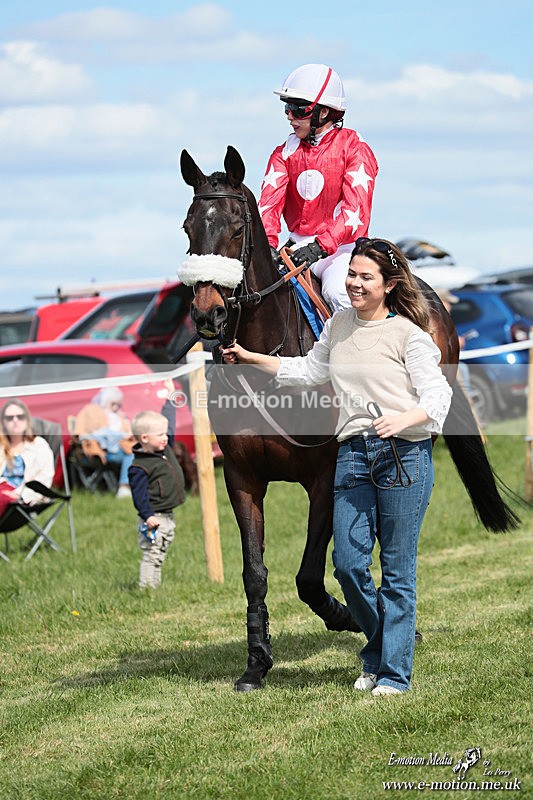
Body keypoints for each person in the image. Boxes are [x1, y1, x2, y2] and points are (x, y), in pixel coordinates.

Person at [221, 238, 453, 695]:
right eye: (352, 275)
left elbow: (439, 399)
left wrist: (402, 419)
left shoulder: (409, 334)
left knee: (397, 571)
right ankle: (384, 647)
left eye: (366, 277)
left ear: (388, 285)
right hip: (352, 456)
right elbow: (308, 370)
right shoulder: (339, 326)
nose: (355, 283)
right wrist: (249, 357)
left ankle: (391, 673)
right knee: (347, 566)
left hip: (402, 456)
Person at [258, 63, 379, 313]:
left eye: (297, 109)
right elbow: (268, 206)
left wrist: (320, 246)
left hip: (341, 251)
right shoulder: (284, 152)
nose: (290, 116)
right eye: (287, 108)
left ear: (323, 113)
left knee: (337, 292)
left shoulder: (355, 148)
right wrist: (268, 244)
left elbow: (355, 213)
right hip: (294, 247)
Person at [128, 379, 186, 589]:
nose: (165, 437)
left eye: (164, 434)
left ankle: (154, 587)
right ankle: (146, 589)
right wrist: (147, 515)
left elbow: (169, 421)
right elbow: (139, 495)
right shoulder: (139, 467)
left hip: (167, 515)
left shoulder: (164, 449)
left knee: (160, 552)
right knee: (151, 553)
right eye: (160, 434)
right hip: (154, 518)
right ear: (144, 437)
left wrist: (170, 396)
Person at [73, 386, 135, 498]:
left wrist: (122, 423)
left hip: (117, 450)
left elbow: (129, 433)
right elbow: (81, 433)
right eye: (113, 403)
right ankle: (125, 487)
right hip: (98, 452)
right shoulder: (91, 410)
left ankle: (127, 487)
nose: (116, 407)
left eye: (118, 404)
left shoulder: (119, 416)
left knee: (133, 452)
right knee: (130, 454)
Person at [0, 398, 55, 505]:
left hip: (24, 497)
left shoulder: (39, 445)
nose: (15, 420)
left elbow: (44, 480)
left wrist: (20, 495)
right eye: (9, 418)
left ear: (27, 420)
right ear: (3, 422)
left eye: (20, 417)